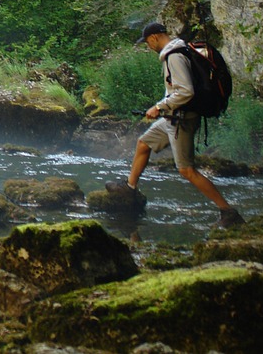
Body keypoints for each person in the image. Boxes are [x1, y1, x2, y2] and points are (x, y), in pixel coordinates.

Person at [105, 21, 245, 228]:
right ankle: (130, 188)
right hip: (173, 117)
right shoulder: (179, 51)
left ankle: (228, 212)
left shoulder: (174, 56)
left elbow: (186, 91)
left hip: (182, 120)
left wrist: (159, 107)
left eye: (147, 42)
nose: (148, 46)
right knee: (144, 144)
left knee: (187, 170)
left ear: (154, 37)